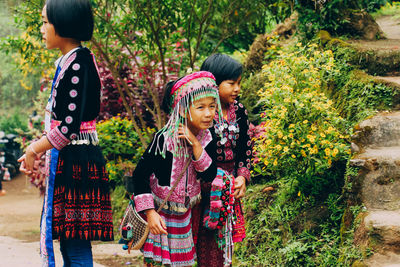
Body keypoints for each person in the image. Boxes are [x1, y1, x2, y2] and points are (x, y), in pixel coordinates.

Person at [18, 0, 113, 266]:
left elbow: (68, 127)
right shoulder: (74, 62)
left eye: (45, 22)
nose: (42, 28)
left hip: (78, 162)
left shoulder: (77, 66)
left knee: (75, 242)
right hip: (74, 159)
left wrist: (34, 148)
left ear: (65, 24)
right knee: (71, 242)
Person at [127, 71, 223, 267]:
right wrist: (150, 213)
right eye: (201, 107)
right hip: (160, 216)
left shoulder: (208, 138)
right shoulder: (163, 140)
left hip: (186, 216)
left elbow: (209, 175)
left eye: (212, 106)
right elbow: (139, 176)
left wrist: (196, 145)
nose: (208, 113)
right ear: (181, 110)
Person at [196, 54, 253, 266]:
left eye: (239, 83)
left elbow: (246, 147)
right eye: (231, 83)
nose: (237, 88)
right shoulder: (202, 113)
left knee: (225, 243)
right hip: (204, 189)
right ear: (213, 84)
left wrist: (242, 177)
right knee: (206, 245)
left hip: (229, 188)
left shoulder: (239, 112)